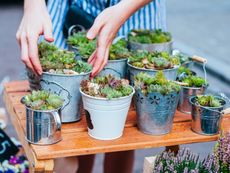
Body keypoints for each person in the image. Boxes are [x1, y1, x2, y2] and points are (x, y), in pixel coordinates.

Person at [16, 0, 166, 173]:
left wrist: (124, 9)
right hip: (74, 8)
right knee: (74, 121)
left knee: (121, 124)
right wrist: (33, 6)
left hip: (135, 10)